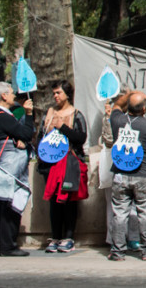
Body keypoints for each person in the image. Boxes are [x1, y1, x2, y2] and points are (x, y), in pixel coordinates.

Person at [108, 91, 146, 261]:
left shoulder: (117, 121)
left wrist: (129, 95)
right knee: (145, 213)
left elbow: (116, 106)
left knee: (119, 213)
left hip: (120, 174)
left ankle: (118, 251)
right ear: (145, 108)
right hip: (143, 175)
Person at [36, 80, 88, 253]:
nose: (55, 96)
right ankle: (55, 235)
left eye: (58, 93)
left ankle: (68, 236)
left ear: (67, 94)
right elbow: (39, 137)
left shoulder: (77, 114)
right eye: (54, 93)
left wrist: (63, 127)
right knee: (54, 201)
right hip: (50, 165)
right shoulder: (48, 114)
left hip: (69, 164)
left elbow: (81, 138)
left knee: (68, 200)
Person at [0, 82, 34, 257]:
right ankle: (8, 246)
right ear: (4, 96)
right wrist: (28, 114)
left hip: (1, 164)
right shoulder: (2, 116)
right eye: (12, 92)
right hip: (10, 167)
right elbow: (26, 134)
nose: (14, 96)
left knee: (0, 205)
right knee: (10, 205)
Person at [101, 93, 140, 250]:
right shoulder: (110, 118)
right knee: (114, 205)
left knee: (134, 206)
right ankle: (114, 240)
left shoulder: (137, 118)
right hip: (116, 165)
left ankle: (133, 237)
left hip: (133, 165)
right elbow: (108, 140)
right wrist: (109, 121)